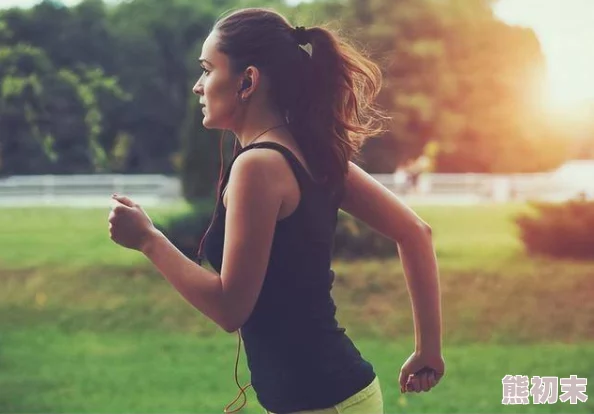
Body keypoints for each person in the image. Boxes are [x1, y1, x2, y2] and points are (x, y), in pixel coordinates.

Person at [108, 7, 445, 414]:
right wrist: (428, 350)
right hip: (339, 395)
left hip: (321, 404)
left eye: (207, 69)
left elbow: (230, 307)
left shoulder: (258, 167)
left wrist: (148, 239)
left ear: (248, 80)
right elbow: (415, 233)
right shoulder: (315, 152)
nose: (198, 86)